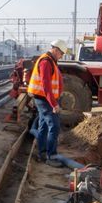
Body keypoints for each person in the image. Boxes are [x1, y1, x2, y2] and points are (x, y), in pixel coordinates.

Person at [26, 39, 67, 167]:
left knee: (43, 125)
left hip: (44, 99)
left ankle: (42, 152)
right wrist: (54, 104)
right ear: (56, 50)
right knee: (54, 126)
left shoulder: (50, 61)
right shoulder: (46, 62)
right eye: (61, 54)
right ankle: (51, 156)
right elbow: (46, 86)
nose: (61, 56)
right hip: (44, 99)